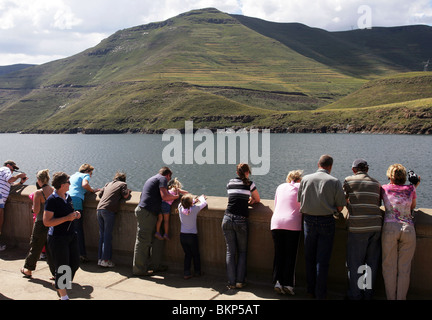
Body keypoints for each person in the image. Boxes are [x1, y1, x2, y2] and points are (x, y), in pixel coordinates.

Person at [297, 154, 346, 299]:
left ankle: (310, 290)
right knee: (322, 260)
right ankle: (320, 294)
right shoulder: (335, 181)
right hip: (327, 221)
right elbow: (340, 206)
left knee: (309, 258)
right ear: (330, 166)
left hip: (308, 221)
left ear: (318, 164)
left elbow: (300, 200)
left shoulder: (305, 179)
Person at [343, 159, 382, 300]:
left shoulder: (348, 180)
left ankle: (356, 294)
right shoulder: (377, 183)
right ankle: (368, 294)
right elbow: (378, 202)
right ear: (367, 169)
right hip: (376, 226)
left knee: (355, 263)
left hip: (358, 227)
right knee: (371, 263)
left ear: (354, 169)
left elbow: (342, 200)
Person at [381, 163, 420, 300]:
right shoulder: (411, 188)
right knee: (404, 269)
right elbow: (412, 207)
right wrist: (415, 184)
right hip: (408, 228)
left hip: (390, 227)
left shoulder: (384, 188)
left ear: (390, 176)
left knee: (389, 268)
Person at [133, 167, 179, 276]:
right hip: (147, 213)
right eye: (170, 177)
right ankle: (138, 269)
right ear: (167, 175)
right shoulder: (162, 178)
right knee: (143, 241)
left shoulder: (152, 179)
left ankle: (155, 266)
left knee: (158, 238)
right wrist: (177, 196)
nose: (169, 180)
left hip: (149, 212)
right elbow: (165, 196)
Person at [222, 163, 260, 289]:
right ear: (247, 172)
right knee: (242, 252)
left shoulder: (229, 183)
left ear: (237, 173)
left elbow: (234, 197)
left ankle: (231, 282)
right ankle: (240, 281)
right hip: (240, 220)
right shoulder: (250, 184)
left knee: (230, 252)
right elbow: (257, 199)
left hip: (227, 218)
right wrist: (249, 200)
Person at [43, 172, 81, 300]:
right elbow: (47, 222)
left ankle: (60, 284)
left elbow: (69, 214)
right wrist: (66, 218)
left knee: (75, 263)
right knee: (63, 266)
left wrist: (75, 214)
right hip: (58, 238)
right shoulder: (52, 200)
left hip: (71, 235)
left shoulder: (68, 197)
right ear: (62, 184)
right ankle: (63, 296)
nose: (70, 184)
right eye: (68, 182)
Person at [271, 169, 303, 296]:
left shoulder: (280, 187)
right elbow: (303, 205)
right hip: (292, 224)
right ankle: (288, 285)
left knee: (279, 254)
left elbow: (276, 204)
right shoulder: (301, 187)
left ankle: (277, 282)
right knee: (291, 255)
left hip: (276, 223)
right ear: (300, 179)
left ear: (288, 178)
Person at [21, 169, 55, 278]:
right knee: (51, 249)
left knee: (35, 246)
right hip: (52, 223)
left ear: (39, 180)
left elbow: (36, 210)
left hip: (41, 223)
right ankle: (56, 273)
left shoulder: (38, 193)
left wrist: (32, 208)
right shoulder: (53, 190)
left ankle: (28, 269)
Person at [96, 172, 131, 268]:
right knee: (107, 236)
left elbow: (100, 195)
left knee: (102, 235)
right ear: (123, 179)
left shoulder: (108, 183)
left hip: (99, 209)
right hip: (109, 210)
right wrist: (128, 191)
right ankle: (106, 260)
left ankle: (100, 259)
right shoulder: (123, 184)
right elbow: (125, 195)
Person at [68, 164, 100, 262]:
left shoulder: (73, 176)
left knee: (69, 228)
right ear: (87, 171)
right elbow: (85, 185)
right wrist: (92, 190)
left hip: (67, 199)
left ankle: (69, 254)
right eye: (91, 173)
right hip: (76, 201)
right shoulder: (84, 176)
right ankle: (81, 255)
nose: (91, 176)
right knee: (78, 228)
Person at [178, 193, 207, 279]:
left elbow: (184, 204)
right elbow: (204, 204)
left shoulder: (180, 208)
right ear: (191, 203)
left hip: (183, 236)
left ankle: (186, 272)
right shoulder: (195, 209)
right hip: (192, 236)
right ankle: (197, 271)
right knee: (195, 254)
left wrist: (193, 200)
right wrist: (201, 198)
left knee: (187, 254)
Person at [0, 160, 28, 251]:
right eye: (13, 168)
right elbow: (10, 179)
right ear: (8, 165)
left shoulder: (3, 172)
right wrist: (19, 175)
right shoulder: (5, 169)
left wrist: (21, 182)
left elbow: (11, 184)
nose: (13, 171)